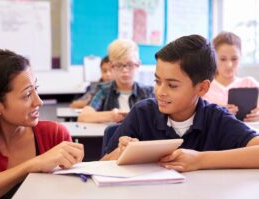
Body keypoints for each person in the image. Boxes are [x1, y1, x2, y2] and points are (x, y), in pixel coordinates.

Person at [102, 35, 259, 172]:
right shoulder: (142, 113)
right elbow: (101, 164)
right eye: (157, 81)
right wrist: (121, 153)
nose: (160, 91)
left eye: (172, 85)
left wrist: (200, 160)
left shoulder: (216, 118)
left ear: (202, 88)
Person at [0, 50, 84, 199]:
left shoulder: (55, 133)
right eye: (27, 95)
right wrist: (33, 165)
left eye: (35, 89)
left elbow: (73, 190)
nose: (39, 102)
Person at [78, 39, 154, 123]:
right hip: (112, 135)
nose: (125, 70)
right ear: (111, 66)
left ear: (138, 65)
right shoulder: (103, 90)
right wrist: (111, 115)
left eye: (130, 64)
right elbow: (83, 117)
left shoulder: (148, 92)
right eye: (119, 65)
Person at [203, 32, 259, 121]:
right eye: (223, 59)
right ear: (213, 58)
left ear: (240, 57)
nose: (229, 65)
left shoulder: (250, 84)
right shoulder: (205, 88)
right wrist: (216, 112)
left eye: (234, 59)